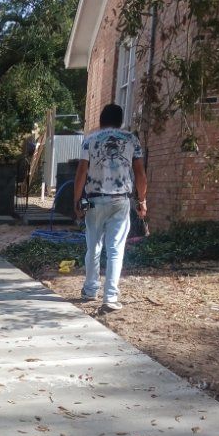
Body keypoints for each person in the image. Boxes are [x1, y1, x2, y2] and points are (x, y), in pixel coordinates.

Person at [73, 103, 147, 312]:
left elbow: (81, 172)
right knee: (116, 250)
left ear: (101, 120)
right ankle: (110, 298)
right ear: (121, 120)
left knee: (93, 246)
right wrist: (142, 200)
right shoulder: (132, 140)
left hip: (95, 200)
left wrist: (76, 200)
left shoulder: (90, 140)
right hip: (120, 201)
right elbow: (140, 174)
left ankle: (89, 290)